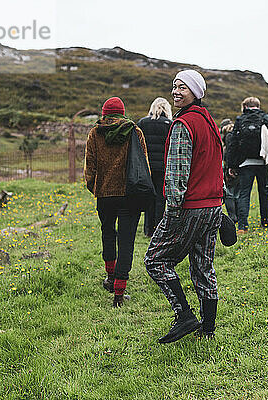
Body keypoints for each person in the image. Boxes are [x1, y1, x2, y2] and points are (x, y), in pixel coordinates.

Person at [144, 70, 224, 343]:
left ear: (195, 92)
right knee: (203, 265)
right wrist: (221, 201)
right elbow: (215, 165)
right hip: (213, 205)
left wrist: (172, 212)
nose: (176, 92)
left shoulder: (183, 125)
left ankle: (185, 316)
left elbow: (177, 173)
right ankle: (208, 328)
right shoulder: (208, 121)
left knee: (155, 260)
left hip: (190, 206)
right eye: (174, 86)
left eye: (183, 88)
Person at [84, 96, 150, 307]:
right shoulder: (134, 131)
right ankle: (119, 294)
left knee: (108, 233)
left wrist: (94, 187)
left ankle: (111, 278)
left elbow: (89, 168)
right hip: (130, 194)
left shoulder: (95, 133)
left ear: (104, 113)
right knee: (126, 241)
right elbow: (144, 164)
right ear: (122, 112)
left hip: (104, 195)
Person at [227, 97, 268, 234]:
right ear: (258, 106)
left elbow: (232, 143)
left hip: (245, 163)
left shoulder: (240, 120)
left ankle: (242, 227)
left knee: (244, 193)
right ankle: (265, 223)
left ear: (245, 106)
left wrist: (232, 165)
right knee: (264, 192)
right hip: (264, 163)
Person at [138, 98, 173, 237]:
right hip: (163, 167)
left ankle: (148, 229)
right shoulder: (169, 124)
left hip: (147, 167)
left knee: (149, 196)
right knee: (160, 197)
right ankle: (159, 227)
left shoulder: (142, 123)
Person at [220, 118, 239, 223]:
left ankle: (233, 217)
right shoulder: (237, 133)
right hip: (240, 167)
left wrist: (228, 168)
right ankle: (239, 216)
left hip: (231, 168)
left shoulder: (228, 136)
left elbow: (229, 153)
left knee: (229, 194)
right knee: (238, 193)